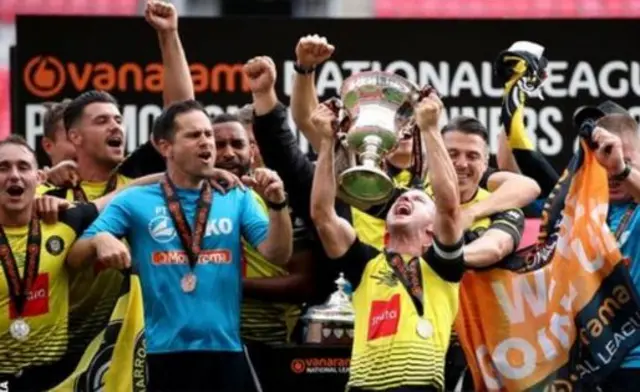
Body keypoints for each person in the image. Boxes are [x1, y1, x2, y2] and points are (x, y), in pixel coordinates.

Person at [67, 99, 293, 392]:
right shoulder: (134, 201)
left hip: (226, 351)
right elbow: (73, 259)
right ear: (164, 146)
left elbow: (278, 254)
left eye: (208, 134)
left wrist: (278, 204)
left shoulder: (235, 196)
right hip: (159, 354)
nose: (206, 143)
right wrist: (99, 239)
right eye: (193, 135)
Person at [310, 91, 464, 392]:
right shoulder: (365, 264)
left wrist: (431, 129)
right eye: (401, 197)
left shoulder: (443, 267)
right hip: (363, 386)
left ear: (432, 230)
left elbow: (449, 205)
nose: (405, 196)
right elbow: (322, 215)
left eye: (418, 199)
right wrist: (327, 142)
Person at [0, 135, 104, 390]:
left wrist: (176, 175)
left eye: (23, 167)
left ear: (38, 178)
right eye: (3, 168)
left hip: (54, 375)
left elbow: (124, 197)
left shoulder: (64, 221)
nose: (14, 175)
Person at [212, 112, 314, 345]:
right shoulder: (188, 197)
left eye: (239, 143)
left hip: (274, 334)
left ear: (253, 149)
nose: (229, 153)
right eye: (220, 145)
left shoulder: (282, 199)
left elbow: (303, 282)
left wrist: (230, 284)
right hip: (212, 334)